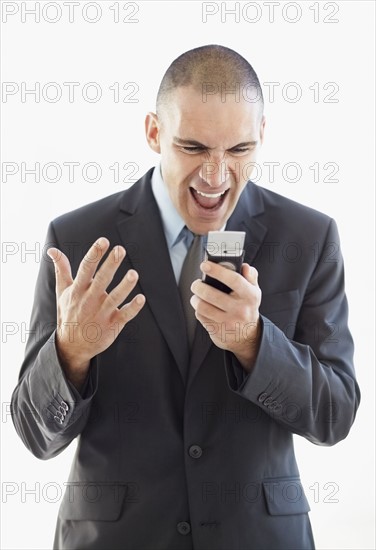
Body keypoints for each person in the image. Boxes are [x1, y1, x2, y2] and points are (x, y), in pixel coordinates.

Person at [11, 45, 360, 550]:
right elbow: (33, 433)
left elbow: (335, 415)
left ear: (262, 135)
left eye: (238, 150)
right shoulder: (77, 237)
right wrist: (70, 353)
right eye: (194, 148)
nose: (216, 176)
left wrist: (255, 344)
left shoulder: (308, 236)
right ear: (154, 132)